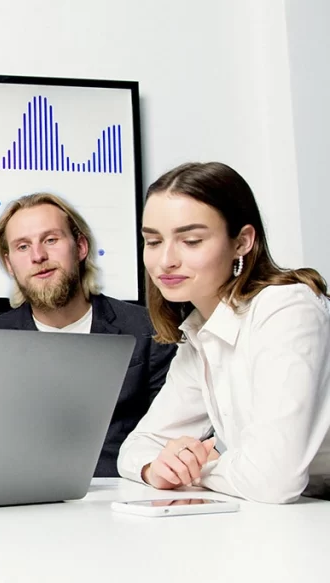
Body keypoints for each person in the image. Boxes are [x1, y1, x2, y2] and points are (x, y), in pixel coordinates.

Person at [117, 162, 330, 503]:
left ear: (242, 242)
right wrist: (156, 468)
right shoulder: (201, 330)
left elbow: (273, 480)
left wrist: (198, 468)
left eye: (191, 240)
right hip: (295, 516)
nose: (165, 260)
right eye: (153, 241)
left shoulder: (288, 308)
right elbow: (137, 448)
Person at [0, 193, 175, 477]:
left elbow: (172, 434)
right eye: (23, 246)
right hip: (23, 503)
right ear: (10, 265)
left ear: (80, 246)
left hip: (123, 494)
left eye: (51, 240)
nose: (38, 256)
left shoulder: (148, 329)